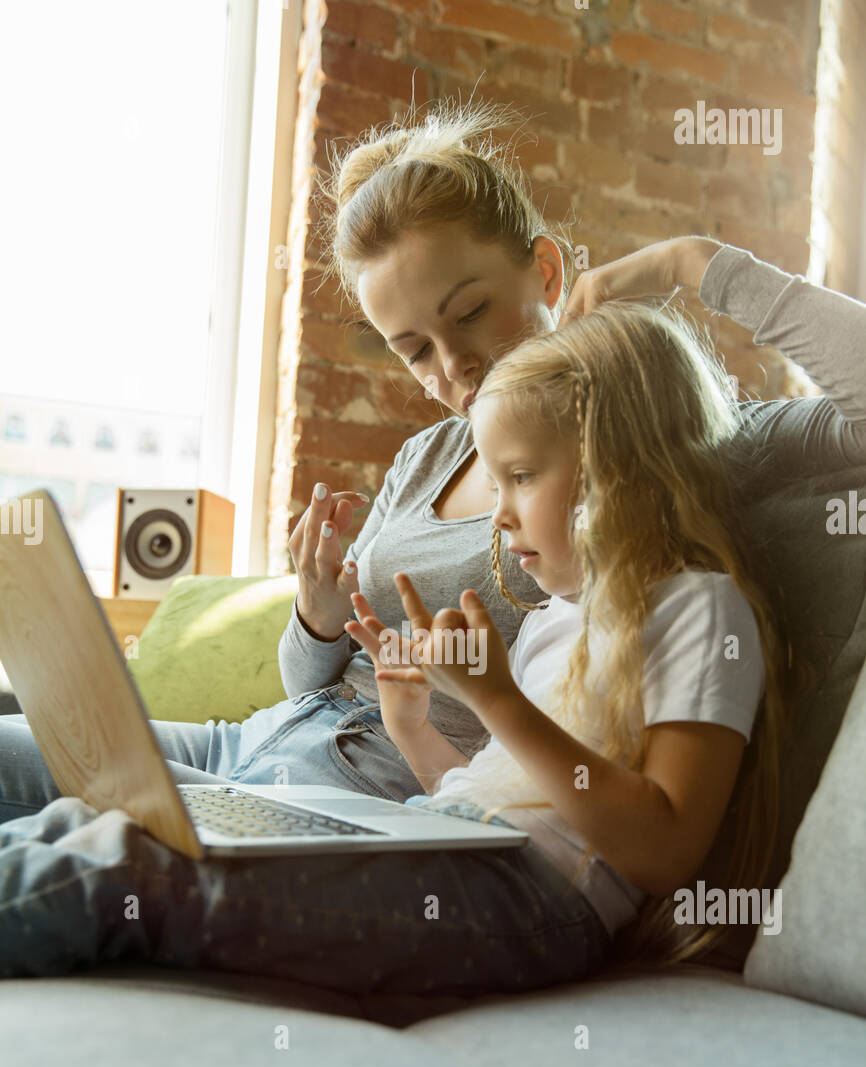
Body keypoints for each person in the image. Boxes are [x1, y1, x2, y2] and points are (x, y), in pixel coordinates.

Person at [1, 232, 863, 990]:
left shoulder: (699, 610)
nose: (500, 509)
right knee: (86, 817)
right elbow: (494, 793)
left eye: (521, 478)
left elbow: (664, 849)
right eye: (411, 346)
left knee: (124, 869)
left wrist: (695, 262)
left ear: (621, 466)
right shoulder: (568, 607)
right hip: (455, 842)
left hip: (532, 905)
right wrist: (412, 721)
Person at [0, 96, 561, 823]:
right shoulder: (427, 456)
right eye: (415, 350)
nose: (450, 365)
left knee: (63, 842)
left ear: (546, 271)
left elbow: (750, 431)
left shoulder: (608, 451)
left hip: (354, 786)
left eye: (470, 313)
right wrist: (319, 614)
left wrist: (692, 266)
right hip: (255, 741)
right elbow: (303, 684)